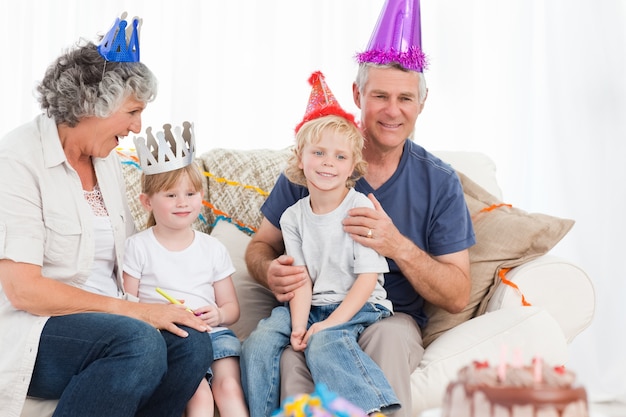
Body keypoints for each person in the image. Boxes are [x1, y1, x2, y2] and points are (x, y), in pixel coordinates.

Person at [243, 1, 476, 416]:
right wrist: (269, 270)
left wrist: (397, 245)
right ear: (357, 95)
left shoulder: (439, 182)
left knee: (385, 340)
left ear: (421, 104)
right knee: (293, 357)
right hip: (311, 308)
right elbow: (261, 245)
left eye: (405, 98)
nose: (392, 110)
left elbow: (458, 295)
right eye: (380, 95)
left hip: (387, 315)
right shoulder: (314, 165)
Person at [0, 15, 213, 417]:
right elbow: (24, 291)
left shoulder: (107, 159)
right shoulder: (17, 159)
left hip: (111, 325)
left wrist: (166, 303)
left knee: (192, 340)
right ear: (91, 104)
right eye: (132, 112)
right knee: (139, 342)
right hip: (37, 332)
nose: (137, 127)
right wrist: (136, 312)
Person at [241, 72, 400, 416]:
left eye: (340, 157)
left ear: (352, 166)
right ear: (301, 158)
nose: (329, 162)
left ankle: (371, 409)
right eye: (319, 152)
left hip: (361, 302)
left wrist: (325, 325)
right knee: (259, 342)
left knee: (324, 343)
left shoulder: (360, 208)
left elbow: (367, 278)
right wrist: (300, 325)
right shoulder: (291, 218)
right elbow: (301, 281)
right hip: (312, 303)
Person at [124, 122, 249, 417]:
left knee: (228, 388)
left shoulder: (212, 248)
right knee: (200, 398)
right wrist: (158, 317)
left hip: (214, 333)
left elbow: (231, 307)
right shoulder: (137, 246)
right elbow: (126, 305)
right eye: (170, 195)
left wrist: (219, 314)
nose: (183, 203)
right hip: (172, 338)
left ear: (201, 197)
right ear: (147, 202)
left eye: (191, 194)